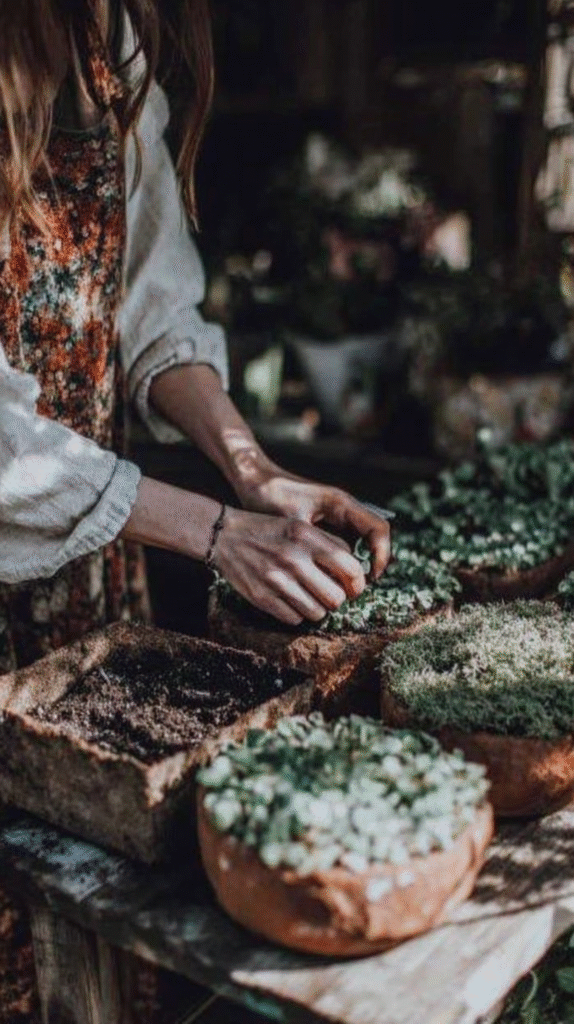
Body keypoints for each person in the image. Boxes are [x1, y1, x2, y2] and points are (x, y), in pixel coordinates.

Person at [0, 1, 391, 1019]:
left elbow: (149, 307)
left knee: (96, 920)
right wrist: (215, 528)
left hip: (84, 567)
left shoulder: (112, 36)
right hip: (40, 526)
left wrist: (250, 470)